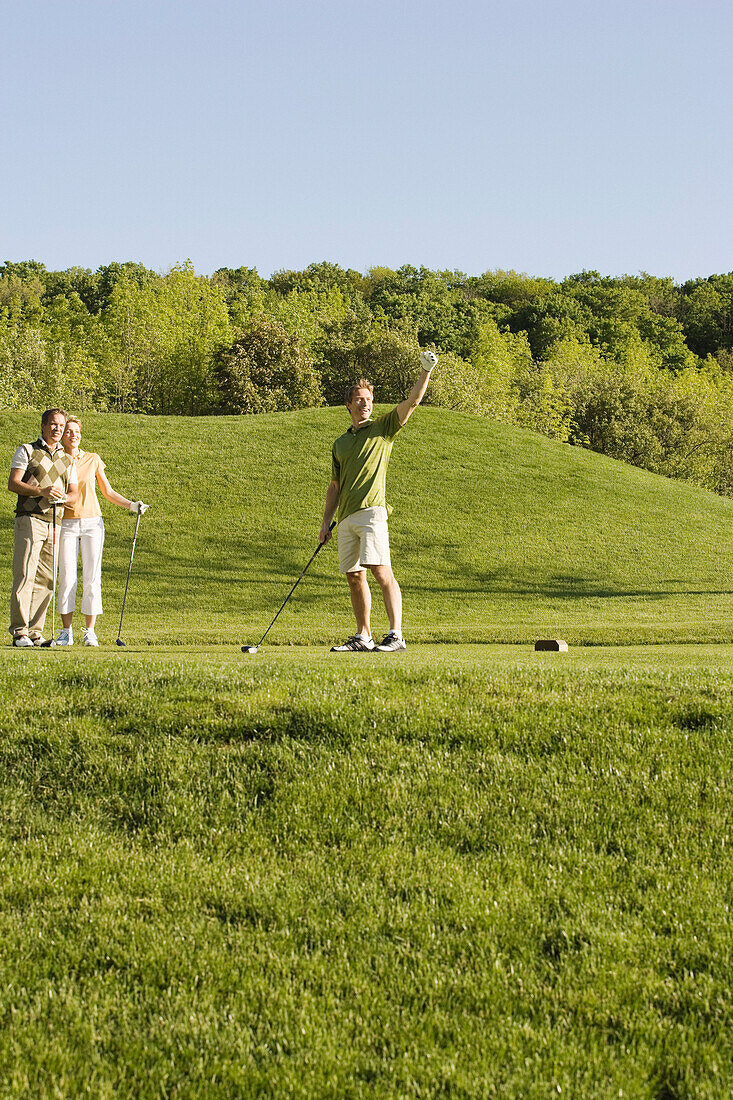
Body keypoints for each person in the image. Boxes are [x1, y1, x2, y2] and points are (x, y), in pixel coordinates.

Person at [319, 350, 438, 653]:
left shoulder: (382, 429)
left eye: (369, 399)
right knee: (355, 576)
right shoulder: (341, 443)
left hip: (372, 513)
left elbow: (411, 402)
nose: (365, 403)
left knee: (380, 569)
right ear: (348, 404)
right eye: (359, 399)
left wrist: (425, 371)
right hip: (345, 518)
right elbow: (335, 485)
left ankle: (396, 635)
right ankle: (363, 636)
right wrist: (324, 523)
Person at [55, 416, 148, 647]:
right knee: (67, 577)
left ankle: (89, 631)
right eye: (69, 431)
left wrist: (131, 505)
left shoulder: (92, 459)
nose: (73, 435)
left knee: (92, 578)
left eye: (76, 431)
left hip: (92, 524)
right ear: (63, 436)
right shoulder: (57, 460)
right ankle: (66, 632)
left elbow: (107, 491)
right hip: (65, 524)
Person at [8, 408, 79, 646]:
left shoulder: (68, 459)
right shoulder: (27, 450)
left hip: (54, 522)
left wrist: (62, 499)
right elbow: (13, 483)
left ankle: (36, 633)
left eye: (61, 425)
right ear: (43, 426)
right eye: (53, 425)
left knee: (47, 579)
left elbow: (74, 495)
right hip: (29, 519)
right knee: (25, 574)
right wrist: (41, 491)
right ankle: (20, 632)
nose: (58, 429)